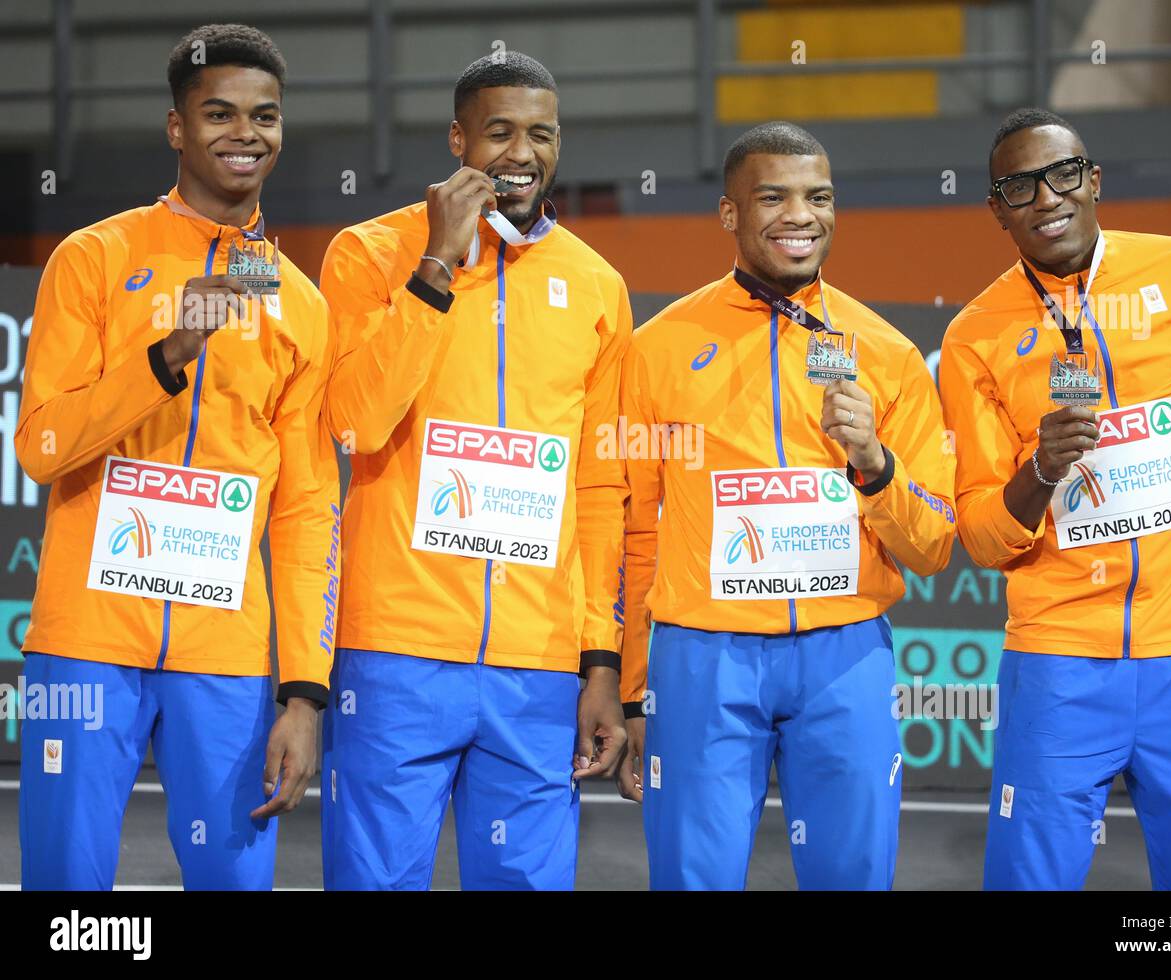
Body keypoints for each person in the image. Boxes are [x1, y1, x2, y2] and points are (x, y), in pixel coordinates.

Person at [15, 23, 339, 890]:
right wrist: (164, 358)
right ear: (176, 128)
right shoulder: (94, 259)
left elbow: (308, 513)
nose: (246, 133)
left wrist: (304, 694)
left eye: (264, 116)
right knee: (65, 896)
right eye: (219, 113)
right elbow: (43, 447)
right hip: (85, 643)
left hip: (225, 658)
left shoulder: (301, 307)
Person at [939, 107, 1171, 890]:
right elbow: (988, 536)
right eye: (1018, 187)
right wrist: (1038, 470)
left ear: (1094, 181)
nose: (1046, 198)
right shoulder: (973, 337)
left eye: (1063, 174)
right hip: (1059, 660)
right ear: (996, 210)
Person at [616, 122, 956, 889]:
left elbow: (933, 544)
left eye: (818, 197)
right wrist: (635, 685)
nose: (800, 215)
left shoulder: (889, 353)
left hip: (844, 656)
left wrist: (874, 465)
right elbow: (633, 529)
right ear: (730, 213)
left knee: (854, 877)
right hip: (702, 656)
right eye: (773, 197)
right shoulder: (659, 347)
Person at [319, 52, 630, 890]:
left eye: (540, 134)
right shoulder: (367, 253)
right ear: (458, 139)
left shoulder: (598, 286)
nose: (520, 152)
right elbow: (354, 421)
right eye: (498, 132)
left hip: (536, 665)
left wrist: (602, 662)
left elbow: (600, 492)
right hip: (394, 653)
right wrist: (436, 263)